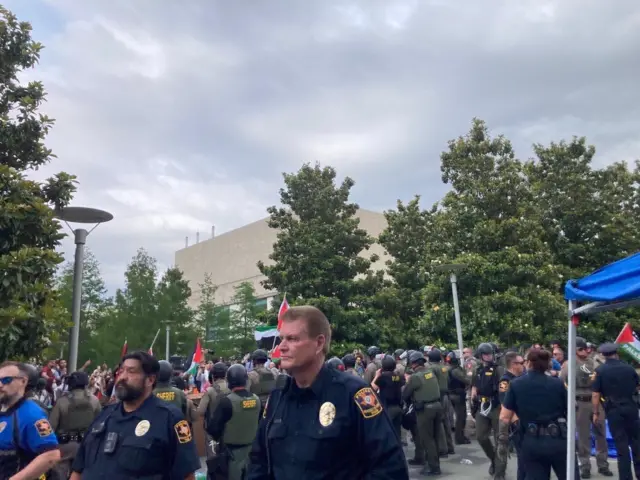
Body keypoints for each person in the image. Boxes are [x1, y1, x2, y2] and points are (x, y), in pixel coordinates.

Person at [248, 306, 409, 479]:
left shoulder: (354, 394)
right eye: (282, 339)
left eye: (292, 339)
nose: (282, 347)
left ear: (319, 343)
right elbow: (258, 460)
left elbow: (391, 469)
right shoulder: (278, 396)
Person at [70, 351, 201, 479]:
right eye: (121, 371)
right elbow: (78, 469)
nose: (122, 377)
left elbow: (187, 475)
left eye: (131, 371)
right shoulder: (104, 416)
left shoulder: (170, 418)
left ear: (150, 380)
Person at [498, 349, 573, 480]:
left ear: (529, 364)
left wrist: (504, 439)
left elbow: (504, 416)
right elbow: (571, 410)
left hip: (532, 440)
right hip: (558, 439)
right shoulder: (557, 383)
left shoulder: (516, 384)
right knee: (569, 475)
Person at [561, 337, 612, 478]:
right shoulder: (568, 364)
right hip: (580, 402)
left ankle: (603, 465)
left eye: (585, 348)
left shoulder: (594, 362)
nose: (584, 351)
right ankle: (585, 466)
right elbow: (562, 382)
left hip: (596, 401)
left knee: (601, 434)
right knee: (583, 437)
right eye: (580, 349)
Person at [0, 361, 61, 479]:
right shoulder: (4, 410)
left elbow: (51, 455)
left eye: (6, 380)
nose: (0, 385)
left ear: (23, 381)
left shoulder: (31, 414)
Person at [592, 342, 640, 480]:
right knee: (636, 442)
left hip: (614, 410)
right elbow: (637, 386)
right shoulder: (629, 368)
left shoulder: (600, 371)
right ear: (616, 353)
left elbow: (595, 394)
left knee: (621, 445)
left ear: (603, 355)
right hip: (631, 408)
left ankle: (625, 477)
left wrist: (595, 412)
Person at [206, 364, 261, 480]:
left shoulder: (227, 401)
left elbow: (213, 429)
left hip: (230, 455)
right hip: (252, 453)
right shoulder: (257, 400)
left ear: (229, 381)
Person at [49, 370, 102, 479]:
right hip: (86, 445)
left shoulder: (62, 401)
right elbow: (100, 423)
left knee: (59, 474)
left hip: (64, 446)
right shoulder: (94, 400)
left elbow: (51, 427)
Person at [402, 350, 442, 476]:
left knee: (427, 439)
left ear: (413, 363)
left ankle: (433, 467)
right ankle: (436, 464)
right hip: (437, 405)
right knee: (435, 437)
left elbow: (405, 394)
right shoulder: (430, 372)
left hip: (425, 410)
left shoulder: (415, 377)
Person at [471, 342, 504, 477]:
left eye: (490, 353)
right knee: (481, 437)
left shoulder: (498, 369)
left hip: (496, 406)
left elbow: (504, 388)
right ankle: (494, 460)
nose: (489, 356)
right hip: (482, 406)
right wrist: (473, 401)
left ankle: (500, 472)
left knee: (500, 440)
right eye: (485, 354)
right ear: (480, 356)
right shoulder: (477, 370)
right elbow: (474, 386)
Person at [495, 351, 525, 480]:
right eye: (521, 363)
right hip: (510, 421)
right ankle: (499, 474)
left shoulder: (519, 378)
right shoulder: (505, 381)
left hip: (519, 419)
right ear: (514, 364)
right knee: (503, 447)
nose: (523, 366)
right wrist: (516, 422)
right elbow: (505, 405)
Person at [371, 355, 404, 440]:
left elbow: (373, 387)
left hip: (388, 408)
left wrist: (376, 376)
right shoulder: (397, 377)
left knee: (388, 434)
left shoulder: (383, 377)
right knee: (397, 433)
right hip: (398, 407)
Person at [447, 351, 471, 445]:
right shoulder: (455, 370)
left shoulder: (448, 369)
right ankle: (459, 438)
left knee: (459, 417)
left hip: (452, 394)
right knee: (461, 417)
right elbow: (466, 380)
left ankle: (459, 436)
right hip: (457, 395)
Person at [247, 349, 276, 417]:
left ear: (254, 360)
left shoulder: (250, 375)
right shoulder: (274, 372)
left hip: (256, 409)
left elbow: (245, 395)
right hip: (271, 406)